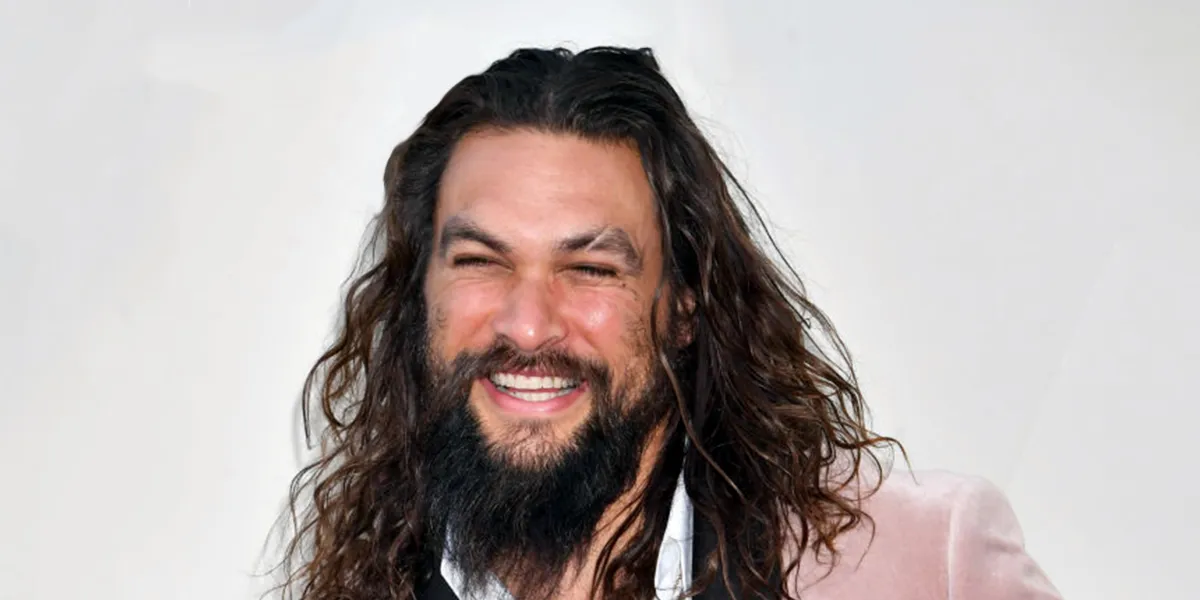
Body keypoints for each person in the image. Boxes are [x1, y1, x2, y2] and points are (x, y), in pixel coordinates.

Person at [273, 46, 1062, 600]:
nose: (527, 324)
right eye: (481, 260)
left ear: (684, 305)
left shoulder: (929, 560)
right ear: (419, 297)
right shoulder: (365, 581)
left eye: (592, 269)